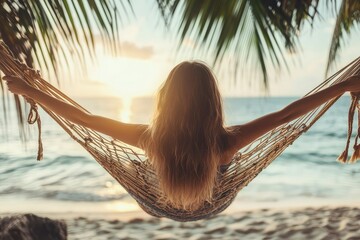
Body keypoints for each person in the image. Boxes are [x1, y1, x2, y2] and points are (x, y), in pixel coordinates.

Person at [3, 61, 360, 210]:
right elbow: (287, 114)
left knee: (144, 171)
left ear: (166, 101)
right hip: (214, 201)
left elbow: (85, 119)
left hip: (155, 201)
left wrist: (30, 90)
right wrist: (343, 85)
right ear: (213, 102)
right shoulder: (227, 142)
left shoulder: (149, 139)